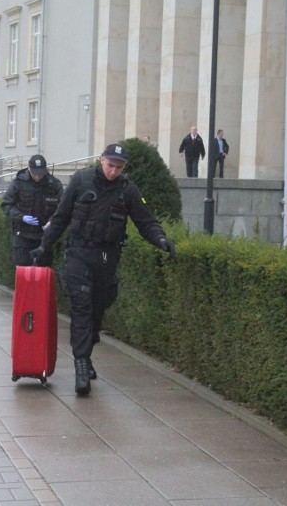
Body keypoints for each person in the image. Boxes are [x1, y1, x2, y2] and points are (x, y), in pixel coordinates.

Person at [29, 144, 175, 396]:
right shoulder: (80, 180)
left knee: (97, 310)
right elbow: (61, 216)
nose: (113, 171)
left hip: (107, 257)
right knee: (82, 307)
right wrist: (44, 247)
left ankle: (87, 351)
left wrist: (161, 240)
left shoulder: (128, 190)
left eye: (119, 167)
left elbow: (145, 221)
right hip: (79, 253)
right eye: (110, 165)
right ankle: (81, 365)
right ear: (101, 161)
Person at [0, 154, 64, 267]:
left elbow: (63, 208)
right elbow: (6, 205)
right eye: (35, 173)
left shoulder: (53, 184)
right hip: (23, 235)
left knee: (43, 273)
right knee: (23, 271)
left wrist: (52, 221)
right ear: (29, 168)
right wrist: (21, 217)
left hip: (45, 237)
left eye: (40, 173)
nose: (38, 177)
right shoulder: (18, 183)